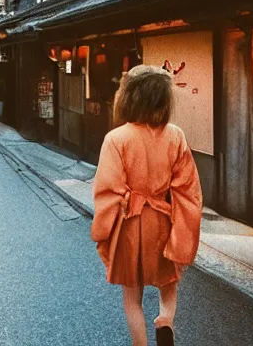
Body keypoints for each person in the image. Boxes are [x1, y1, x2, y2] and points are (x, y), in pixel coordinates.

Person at [91, 65, 203, 346]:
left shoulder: (116, 139)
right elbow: (188, 190)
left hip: (131, 223)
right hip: (164, 222)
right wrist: (185, 229)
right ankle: (165, 319)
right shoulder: (175, 135)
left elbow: (107, 191)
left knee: (132, 296)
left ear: (130, 98)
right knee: (168, 284)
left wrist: (102, 231)